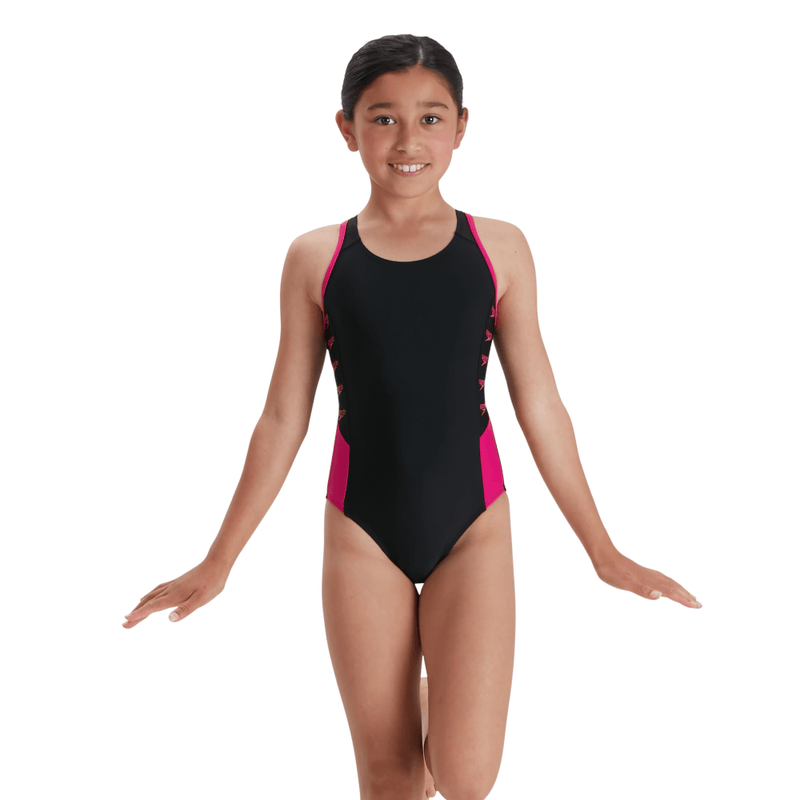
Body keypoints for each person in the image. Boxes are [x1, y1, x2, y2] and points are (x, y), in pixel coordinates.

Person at [122, 33, 701, 800]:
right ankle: (402, 713)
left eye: (430, 118)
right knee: (391, 781)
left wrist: (602, 548)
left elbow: (541, 403)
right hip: (361, 528)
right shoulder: (316, 257)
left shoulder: (499, 248)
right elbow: (282, 417)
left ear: (462, 127)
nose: (408, 140)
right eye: (383, 118)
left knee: (465, 777)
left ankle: (426, 700)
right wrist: (219, 558)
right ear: (347, 128)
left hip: (473, 523)